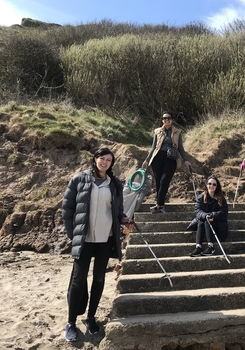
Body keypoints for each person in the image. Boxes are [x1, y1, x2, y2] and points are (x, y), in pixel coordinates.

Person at [61, 147, 133, 342]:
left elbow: (117, 210)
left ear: (111, 163)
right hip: (84, 240)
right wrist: (73, 235)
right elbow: (67, 209)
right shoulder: (79, 179)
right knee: (78, 280)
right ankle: (71, 322)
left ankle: (91, 318)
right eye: (102, 158)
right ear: (95, 159)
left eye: (109, 160)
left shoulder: (114, 184)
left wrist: (125, 219)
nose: (105, 162)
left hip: (105, 239)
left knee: (99, 279)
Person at [142, 112, 191, 214]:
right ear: (162, 120)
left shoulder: (177, 132)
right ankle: (161, 205)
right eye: (164, 118)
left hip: (171, 158)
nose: (167, 120)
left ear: (172, 120)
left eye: (169, 118)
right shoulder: (157, 131)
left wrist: (186, 160)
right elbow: (153, 147)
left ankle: (158, 205)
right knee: (159, 182)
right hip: (157, 158)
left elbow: (181, 148)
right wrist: (147, 159)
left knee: (165, 181)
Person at [190, 175, 229, 257]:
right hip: (204, 221)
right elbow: (197, 211)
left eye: (214, 184)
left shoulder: (221, 198)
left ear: (217, 186)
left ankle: (211, 247)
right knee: (201, 222)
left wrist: (212, 215)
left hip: (218, 223)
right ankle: (198, 247)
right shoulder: (201, 197)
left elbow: (223, 213)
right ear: (206, 185)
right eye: (210, 183)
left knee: (207, 222)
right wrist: (206, 216)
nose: (211, 186)